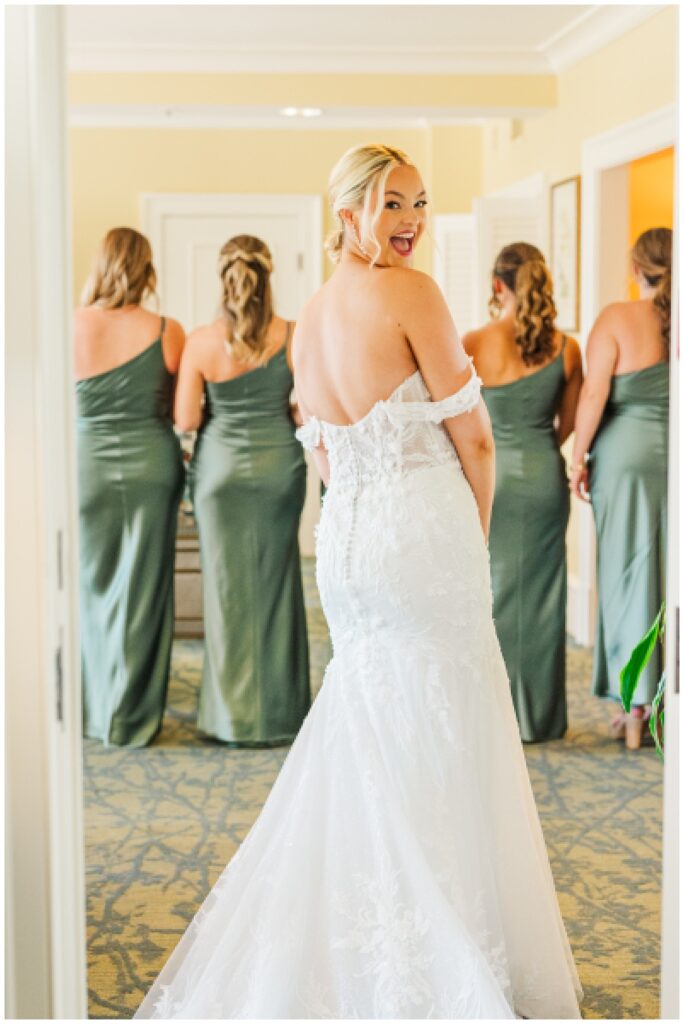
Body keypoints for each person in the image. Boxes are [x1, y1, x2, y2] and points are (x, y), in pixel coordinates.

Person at [135, 145, 582, 1019]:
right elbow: (478, 441)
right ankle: (436, 942)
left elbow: (332, 456)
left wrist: (380, 520)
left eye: (420, 202)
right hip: (421, 536)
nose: (410, 221)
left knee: (370, 726)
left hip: (348, 544)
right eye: (391, 205)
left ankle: (358, 937)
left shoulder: (312, 315)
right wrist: (469, 535)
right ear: (346, 215)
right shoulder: (410, 294)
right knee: (445, 729)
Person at [174, 235, 310, 745]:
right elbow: (310, 408)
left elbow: (186, 418)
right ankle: (281, 713)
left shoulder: (201, 341)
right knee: (277, 584)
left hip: (220, 476)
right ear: (267, 279)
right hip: (279, 470)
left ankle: (229, 715)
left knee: (225, 590)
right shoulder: (293, 335)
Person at [463, 243, 583, 743]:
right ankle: (539, 716)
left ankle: (493, 717)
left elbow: (457, 424)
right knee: (543, 597)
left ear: (498, 285)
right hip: (543, 476)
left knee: (489, 594)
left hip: (493, 482)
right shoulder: (567, 348)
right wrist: (534, 449)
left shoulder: (473, 341)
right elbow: (569, 423)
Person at [75, 227, 185, 747]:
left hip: (87, 466)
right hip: (151, 465)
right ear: (148, 270)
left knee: (90, 586)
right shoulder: (168, 330)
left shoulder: (70, 327)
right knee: (144, 591)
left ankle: (96, 709)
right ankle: (133, 717)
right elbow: (178, 413)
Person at [570, 228, 671, 750]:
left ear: (637, 268)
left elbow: (593, 393)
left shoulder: (617, 317)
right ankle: (666, 707)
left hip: (626, 458)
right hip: (675, 454)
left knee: (629, 573)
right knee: (669, 580)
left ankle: (635, 712)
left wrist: (577, 455)